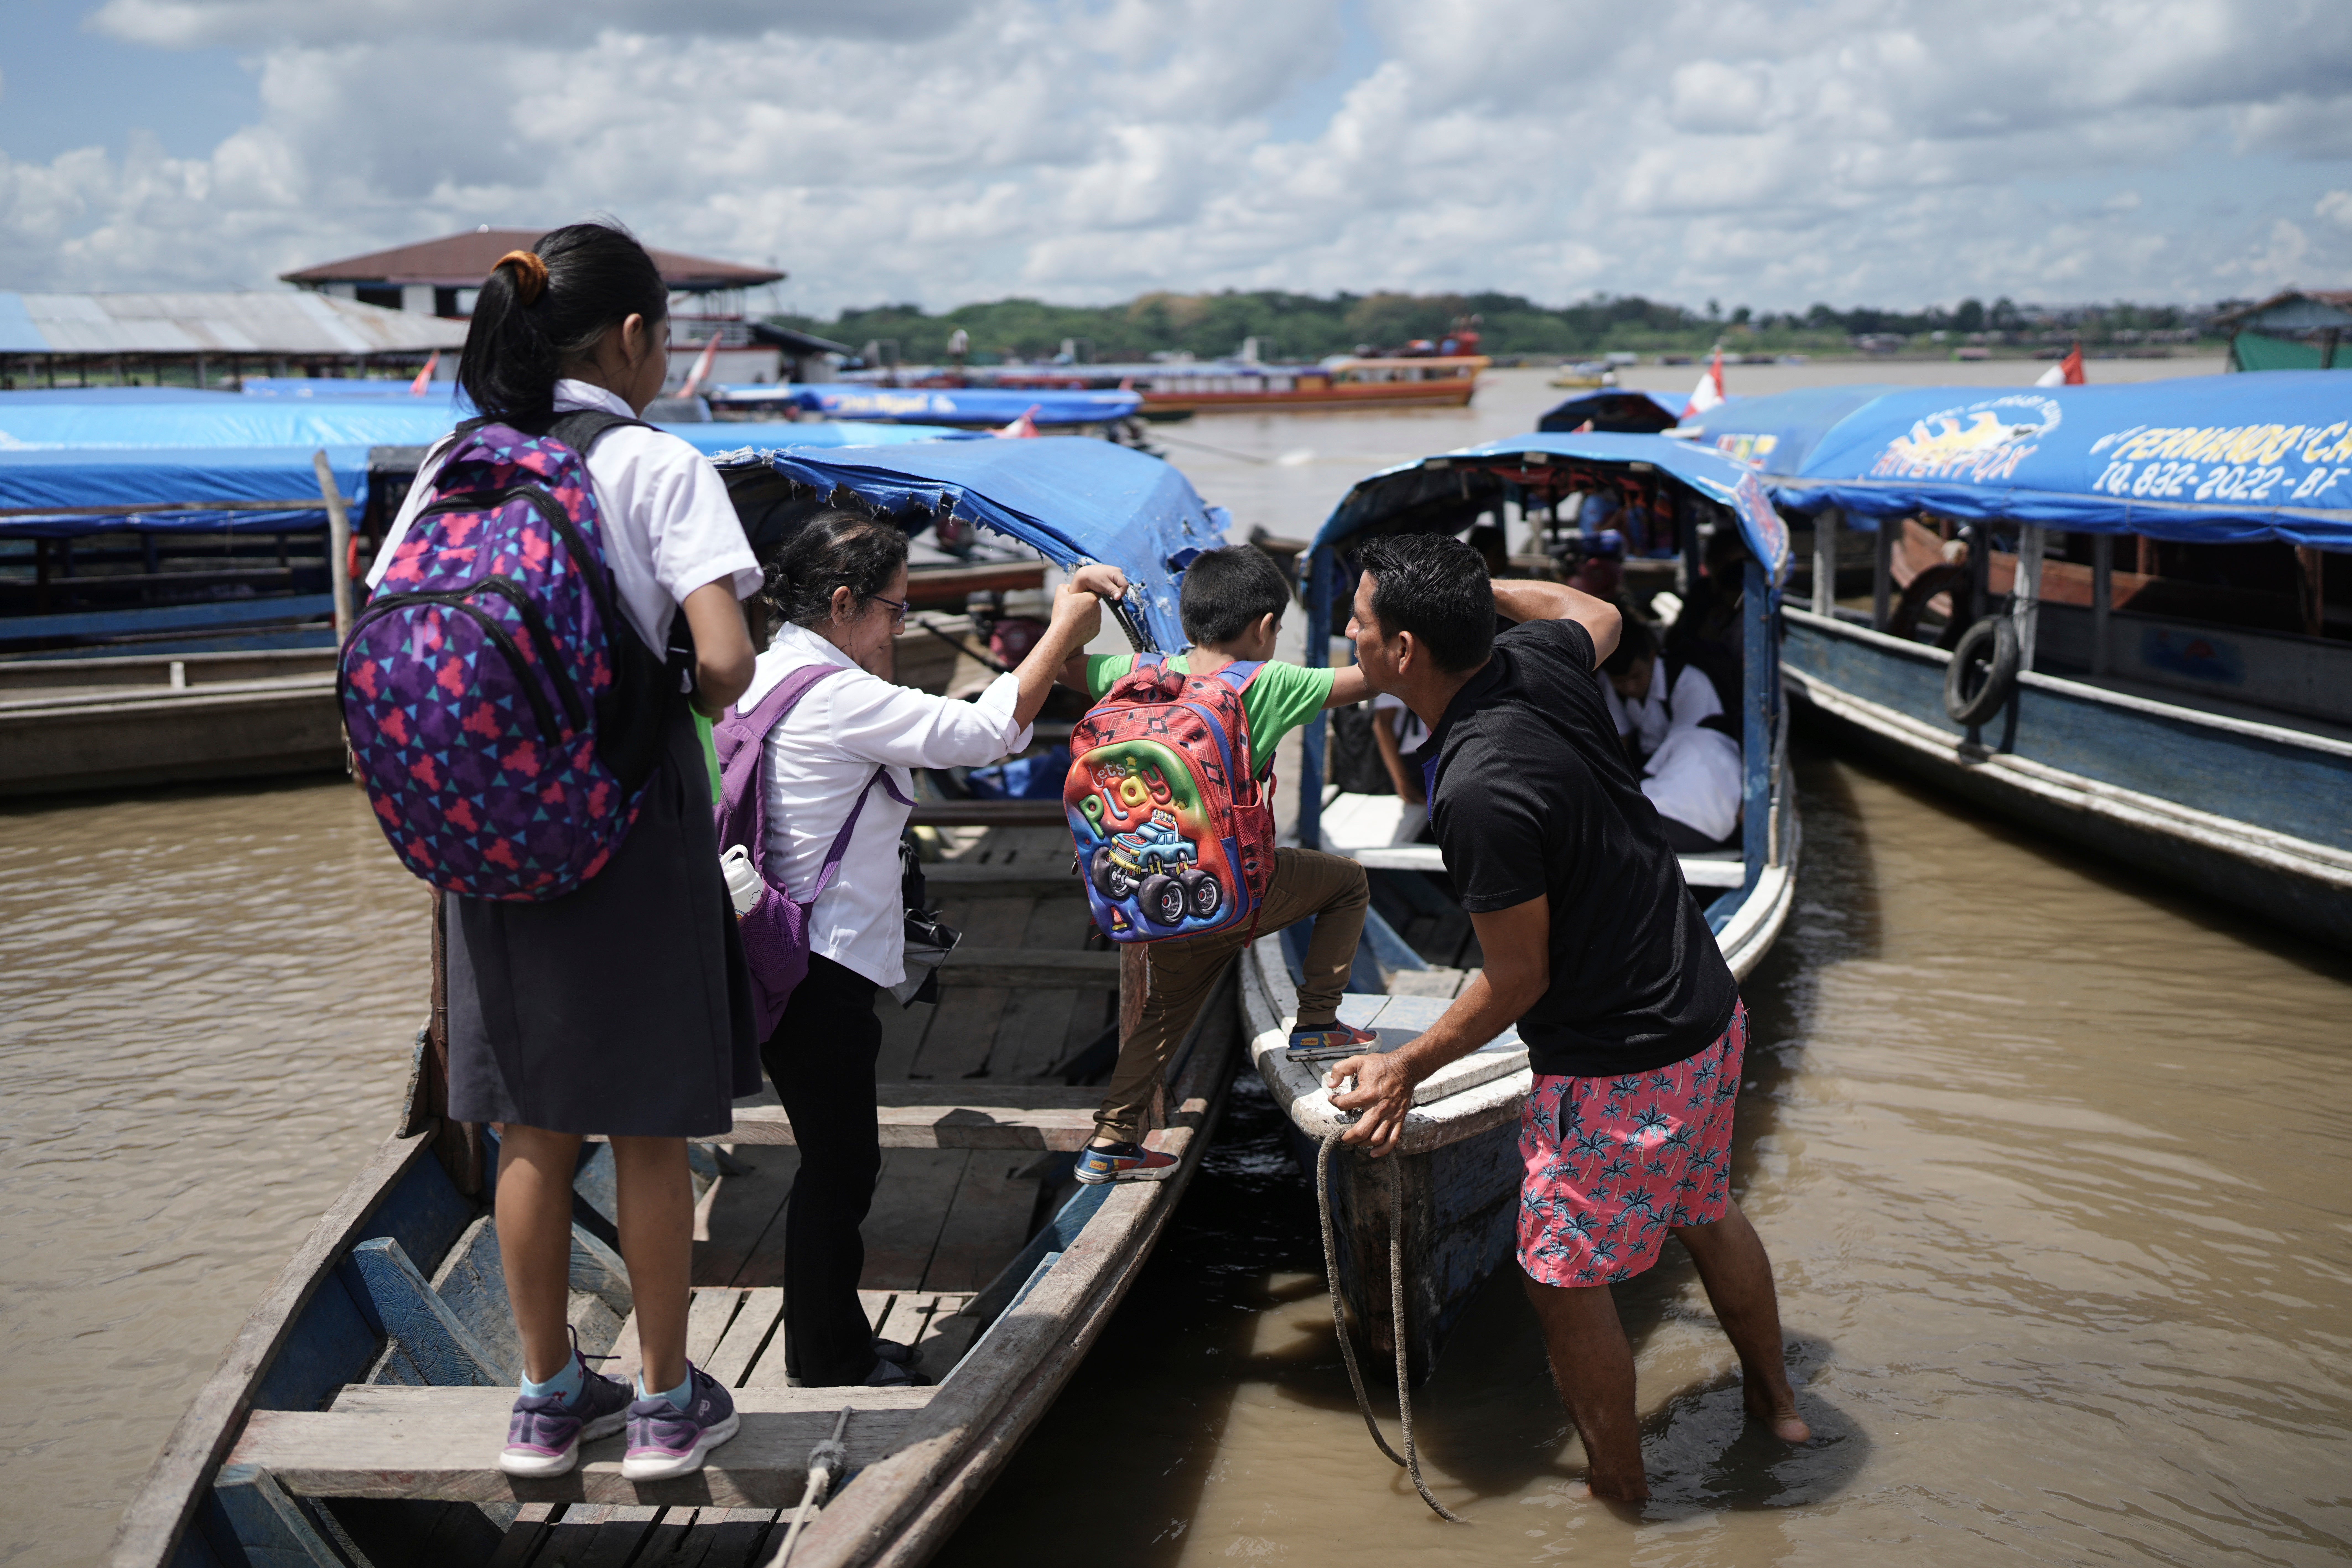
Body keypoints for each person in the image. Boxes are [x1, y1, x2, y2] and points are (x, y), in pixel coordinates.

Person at [365, 224, 762, 1481]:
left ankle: (542, 1404)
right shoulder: (654, 463)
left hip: (482, 832)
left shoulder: (458, 460)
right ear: (638, 337)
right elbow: (727, 663)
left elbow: (399, 624)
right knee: (649, 1126)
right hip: (625, 819)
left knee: (532, 1125)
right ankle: (660, 1404)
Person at [1326, 532, 1808, 1503]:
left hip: (1618, 1056)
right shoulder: (1534, 661)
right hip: (1703, 1005)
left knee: (1556, 1273)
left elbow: (1516, 980)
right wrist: (1478, 590)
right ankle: (1778, 1405)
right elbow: (1597, 614)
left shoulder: (1474, 788)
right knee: (1704, 1209)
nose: (1347, 631)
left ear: (1406, 650)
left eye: (1362, 621)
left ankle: (1619, 1488)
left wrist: (1405, 1064)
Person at [745, 513, 1111, 1387]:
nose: (901, 627)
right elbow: (983, 733)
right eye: (896, 610)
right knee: (841, 1165)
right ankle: (825, 1357)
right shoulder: (834, 693)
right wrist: (1063, 624)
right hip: (819, 964)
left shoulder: (765, 670)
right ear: (842, 603)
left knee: (837, 1157)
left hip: (776, 942)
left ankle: (831, 1339)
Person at [1058, 544, 1380, 1183]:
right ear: (1265, 628)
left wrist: (1077, 590)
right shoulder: (1271, 681)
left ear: (1186, 620)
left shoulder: (1133, 672)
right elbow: (1375, 678)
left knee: (1162, 1018)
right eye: (1278, 629)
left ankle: (1111, 1142)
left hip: (1163, 890)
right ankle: (1316, 1021)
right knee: (1346, 883)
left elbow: (1062, 662)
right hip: (1242, 891)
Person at [1601, 612, 1741, 853]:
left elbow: (1690, 754)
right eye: (1621, 683)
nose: (1630, 688)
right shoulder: (1614, 684)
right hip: (1655, 765)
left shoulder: (1690, 686)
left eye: (1636, 677)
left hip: (1684, 768)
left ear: (1653, 658)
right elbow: (1621, 741)